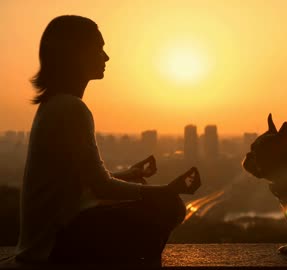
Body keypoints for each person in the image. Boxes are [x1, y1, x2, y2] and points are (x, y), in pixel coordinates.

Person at [15, 15, 201, 264]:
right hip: (55, 245)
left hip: (48, 238)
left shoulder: (56, 104)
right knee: (170, 206)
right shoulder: (71, 108)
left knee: (148, 191)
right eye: (99, 48)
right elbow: (101, 187)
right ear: (77, 54)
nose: (106, 57)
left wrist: (129, 173)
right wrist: (167, 190)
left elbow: (83, 181)